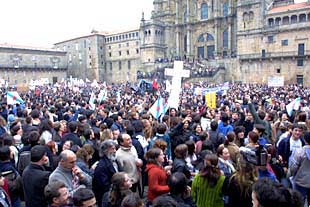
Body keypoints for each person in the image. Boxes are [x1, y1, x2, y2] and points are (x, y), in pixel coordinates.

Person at [93, 140, 118, 206]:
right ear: (106, 151)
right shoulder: (102, 166)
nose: (115, 151)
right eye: (112, 149)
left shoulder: (111, 160)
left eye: (115, 148)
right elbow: (104, 185)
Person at [290, 131, 310, 205]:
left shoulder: (299, 152)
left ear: (305, 140)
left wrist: (292, 175)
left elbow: (293, 167)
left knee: (299, 202)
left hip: (300, 181)